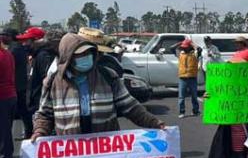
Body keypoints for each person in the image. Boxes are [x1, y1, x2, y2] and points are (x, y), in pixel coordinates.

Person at [31, 32, 164, 139]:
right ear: (68, 57)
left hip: (105, 151)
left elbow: (130, 107)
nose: (86, 57)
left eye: (88, 53)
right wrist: (39, 132)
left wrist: (154, 123)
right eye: (80, 55)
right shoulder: (53, 82)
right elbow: (45, 114)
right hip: (70, 153)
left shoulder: (108, 76)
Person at [13, 27, 45, 138]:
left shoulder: (43, 57)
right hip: (35, 107)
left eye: (27, 41)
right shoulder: (36, 56)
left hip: (42, 107)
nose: (24, 44)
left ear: (36, 40)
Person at [27, 32, 61, 119]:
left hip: (39, 99)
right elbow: (47, 79)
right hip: (40, 100)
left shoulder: (43, 54)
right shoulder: (45, 56)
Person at [0, 30, 17, 158]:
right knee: (6, 130)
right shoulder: (8, 54)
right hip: (10, 96)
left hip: (3, 97)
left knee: (3, 130)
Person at [176, 38, 200, 118]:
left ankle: (196, 111)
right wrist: (180, 43)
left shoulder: (195, 54)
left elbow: (199, 49)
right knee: (181, 97)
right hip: (182, 78)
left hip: (192, 78)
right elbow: (171, 48)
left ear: (190, 47)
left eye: (186, 47)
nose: (184, 48)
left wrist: (191, 43)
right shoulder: (180, 54)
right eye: (183, 47)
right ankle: (181, 112)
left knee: (194, 96)